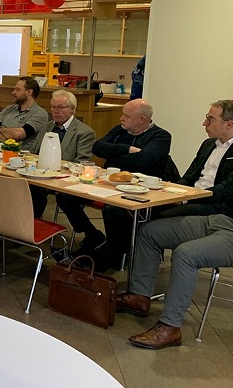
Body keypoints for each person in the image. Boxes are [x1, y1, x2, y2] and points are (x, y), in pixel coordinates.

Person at [116, 155, 233, 350]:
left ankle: (170, 327)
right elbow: (231, 191)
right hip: (225, 219)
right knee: (150, 231)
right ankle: (138, 296)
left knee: (187, 255)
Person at [57, 99, 172, 270]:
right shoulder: (120, 130)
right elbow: (97, 148)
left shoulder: (161, 136)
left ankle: (111, 253)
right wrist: (128, 150)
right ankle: (93, 235)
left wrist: (114, 152)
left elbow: (145, 160)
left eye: (126, 116)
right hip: (107, 183)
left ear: (142, 119)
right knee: (65, 196)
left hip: (138, 190)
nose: (121, 119)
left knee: (115, 210)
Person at [161, 100, 233, 218]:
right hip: (192, 196)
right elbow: (188, 178)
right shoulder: (208, 144)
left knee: (158, 216)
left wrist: (186, 199)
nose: (205, 123)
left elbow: (226, 188)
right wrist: (167, 191)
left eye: (211, 119)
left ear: (229, 124)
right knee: (147, 207)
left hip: (214, 204)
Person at [29, 89, 95, 218]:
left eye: (61, 107)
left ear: (72, 109)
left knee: (61, 196)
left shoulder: (84, 132)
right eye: (53, 107)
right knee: (22, 185)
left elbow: (82, 163)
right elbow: (34, 152)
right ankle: (26, 225)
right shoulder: (46, 127)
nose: (55, 111)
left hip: (64, 178)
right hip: (40, 175)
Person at [0, 76, 48, 151]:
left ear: (29, 92)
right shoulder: (9, 109)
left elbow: (18, 134)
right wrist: (8, 143)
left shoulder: (39, 113)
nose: (13, 92)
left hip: (19, 153)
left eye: (17, 90)